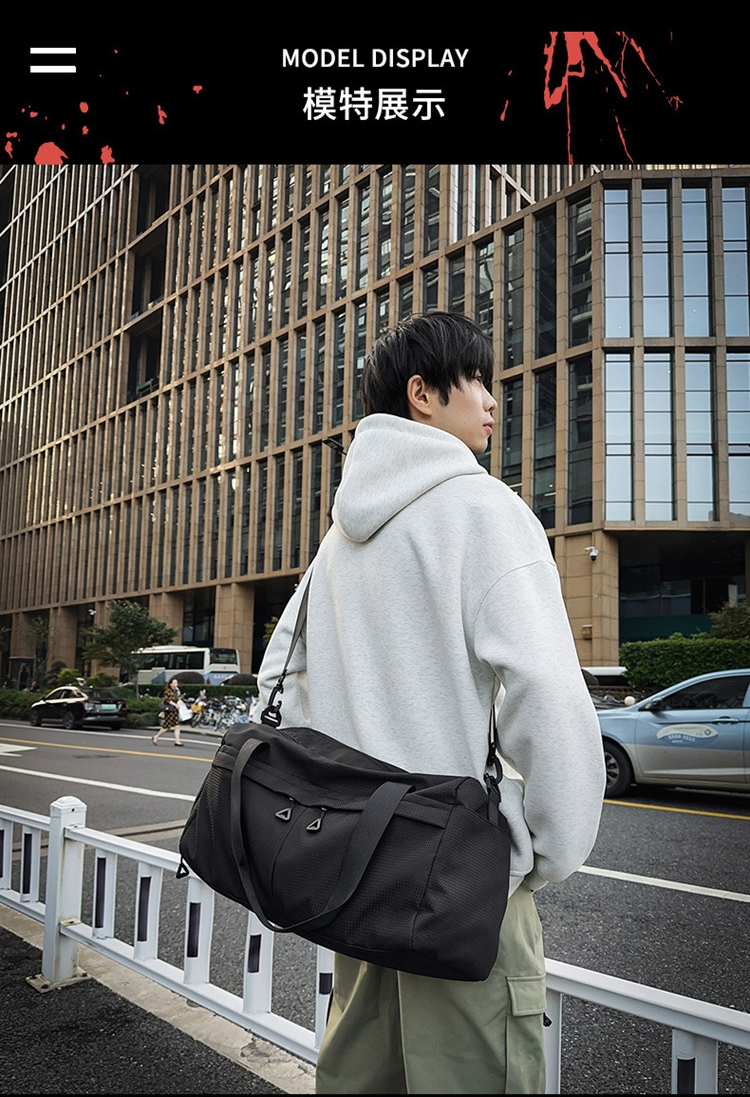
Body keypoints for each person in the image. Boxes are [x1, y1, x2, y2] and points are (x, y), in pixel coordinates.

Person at [256, 311, 606, 1094]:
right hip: (462, 882)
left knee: (361, 1075)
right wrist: (541, 851)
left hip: (357, 871)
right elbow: (548, 691)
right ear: (422, 393)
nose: (491, 399)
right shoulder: (486, 510)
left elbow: (278, 682)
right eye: (475, 378)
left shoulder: (336, 540)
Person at [152, 676, 184, 746]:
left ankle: (177, 741)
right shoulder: (168, 691)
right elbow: (168, 700)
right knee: (166, 726)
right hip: (169, 711)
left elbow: (175, 699)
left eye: (176, 683)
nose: (176, 684)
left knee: (177, 725)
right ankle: (156, 736)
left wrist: (179, 698)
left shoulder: (175, 691)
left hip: (175, 711)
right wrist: (175, 705)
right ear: (171, 684)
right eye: (174, 683)